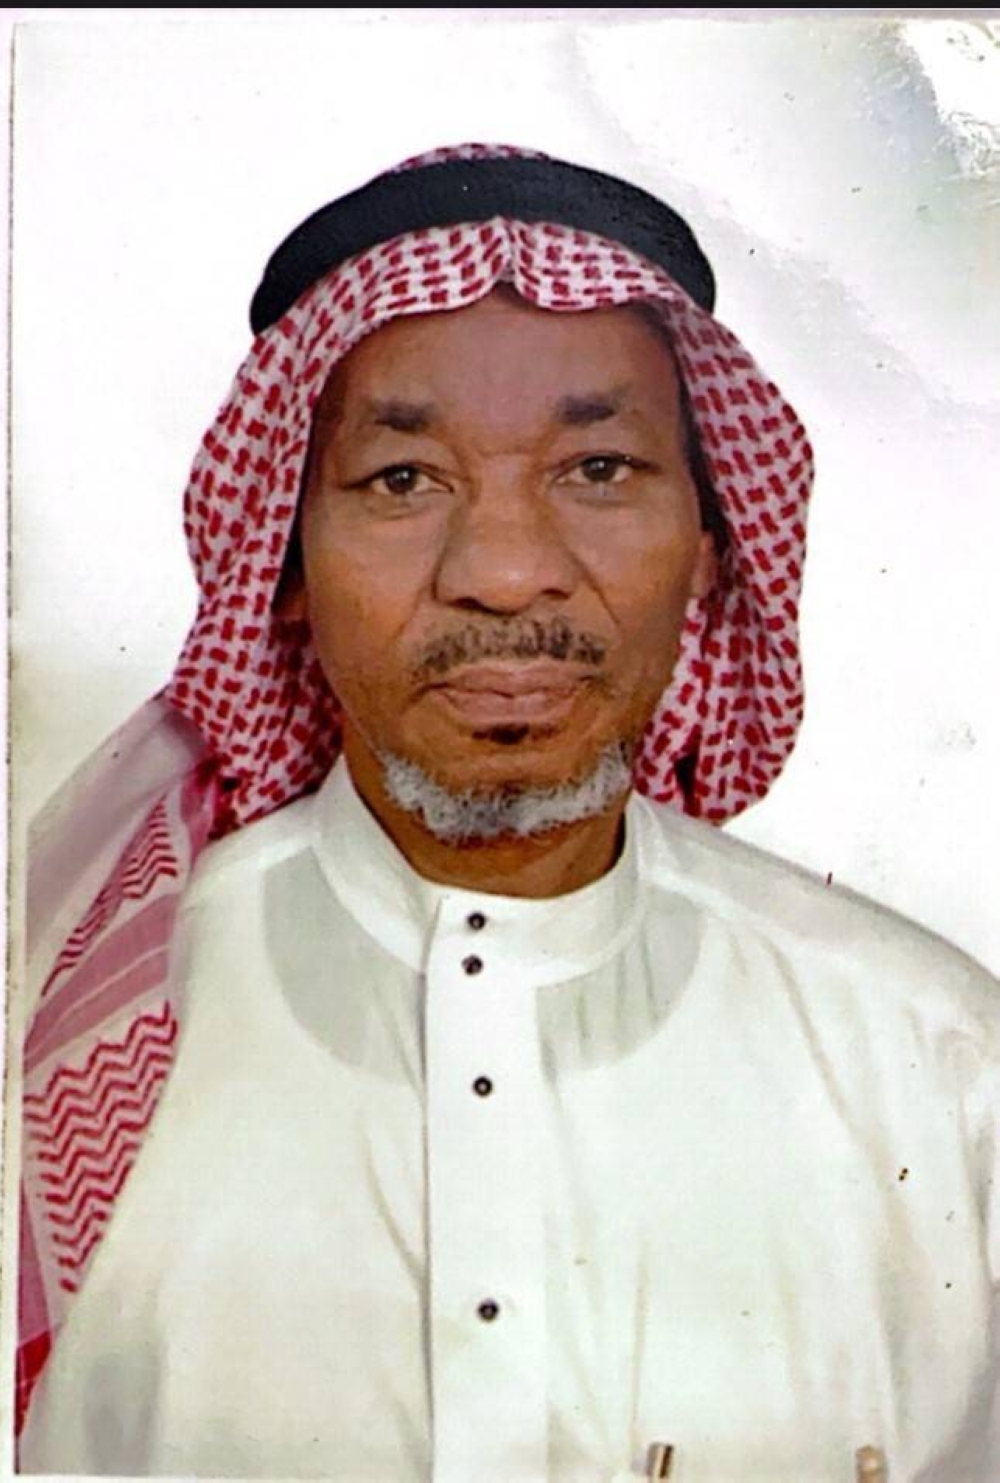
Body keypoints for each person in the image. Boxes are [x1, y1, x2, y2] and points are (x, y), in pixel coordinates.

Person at [15, 145, 998, 1481]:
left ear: (709, 553)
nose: (505, 572)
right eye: (403, 481)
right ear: (283, 564)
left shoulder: (946, 1067)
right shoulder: (63, 1054)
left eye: (598, 468)